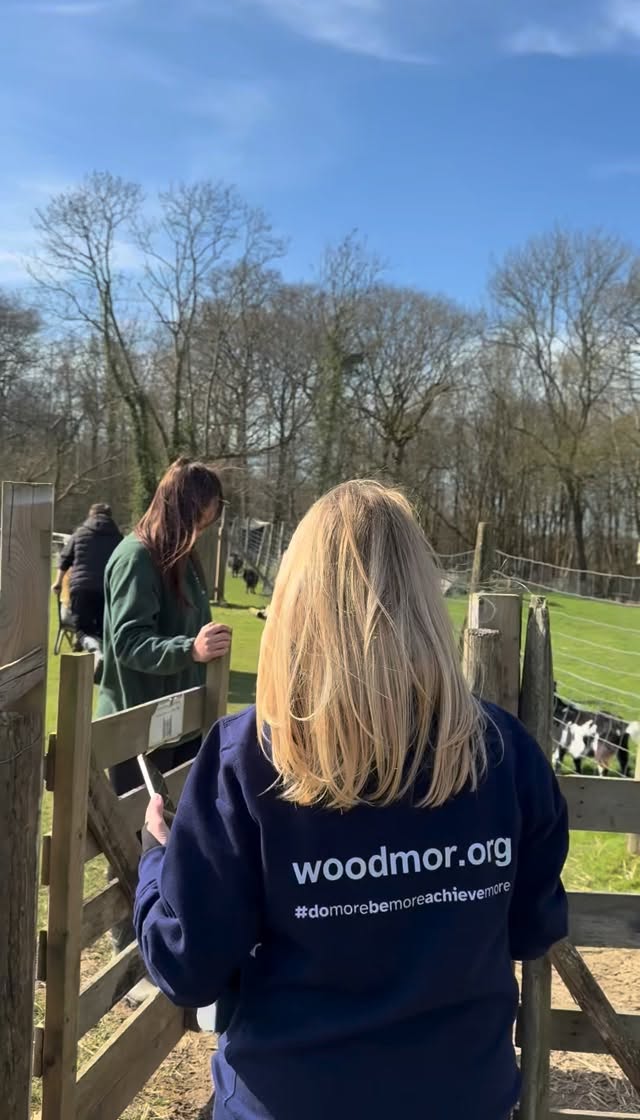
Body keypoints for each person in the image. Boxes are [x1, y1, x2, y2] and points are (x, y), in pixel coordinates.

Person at [134, 480, 568, 1120]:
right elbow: (534, 927)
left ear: (297, 603)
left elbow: (184, 964)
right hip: (460, 1097)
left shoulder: (248, 758)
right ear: (424, 599)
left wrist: (155, 861)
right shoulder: (502, 752)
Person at [100, 458, 231, 977]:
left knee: (174, 833)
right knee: (131, 840)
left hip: (176, 723)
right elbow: (128, 641)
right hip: (134, 724)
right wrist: (189, 650)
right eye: (202, 516)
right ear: (183, 508)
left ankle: (161, 944)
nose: (205, 527)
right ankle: (127, 957)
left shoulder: (183, 560)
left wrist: (203, 643)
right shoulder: (135, 558)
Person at [52, 503, 122, 647]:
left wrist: (58, 582)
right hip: (107, 589)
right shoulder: (118, 537)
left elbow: (65, 558)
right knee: (104, 630)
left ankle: (95, 652)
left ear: (91, 515)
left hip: (81, 588)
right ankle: (101, 656)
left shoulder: (80, 533)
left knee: (83, 631)